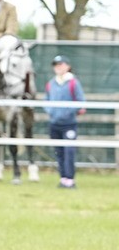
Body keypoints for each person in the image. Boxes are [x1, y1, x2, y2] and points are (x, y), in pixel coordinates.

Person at [46, 54, 86, 189]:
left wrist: (68, 112)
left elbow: (81, 101)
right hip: (54, 123)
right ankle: (63, 177)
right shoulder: (51, 83)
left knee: (69, 151)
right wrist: (51, 111)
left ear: (67, 67)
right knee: (59, 151)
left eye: (61, 64)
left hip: (69, 123)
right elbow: (47, 100)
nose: (58, 67)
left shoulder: (74, 82)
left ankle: (70, 178)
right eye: (56, 65)